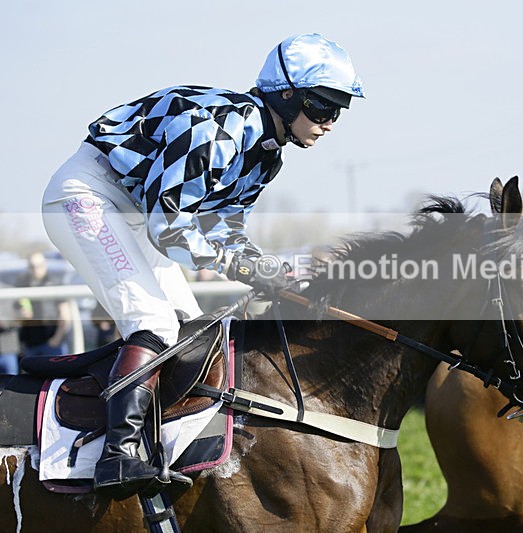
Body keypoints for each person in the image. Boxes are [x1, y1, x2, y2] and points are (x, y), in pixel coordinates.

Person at [41, 33, 364, 500]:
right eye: (322, 108)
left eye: (338, 112)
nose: (329, 123)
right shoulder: (221, 128)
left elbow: (225, 231)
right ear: (285, 95)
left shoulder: (265, 158)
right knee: (152, 322)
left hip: (135, 211)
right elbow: (169, 228)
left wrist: (270, 269)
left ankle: (160, 446)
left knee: (192, 333)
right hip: (89, 196)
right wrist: (246, 268)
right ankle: (118, 454)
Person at [15, 252, 71, 358]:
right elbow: (14, 311)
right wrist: (21, 314)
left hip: (52, 341)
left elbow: (65, 315)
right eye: (32, 266)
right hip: (30, 343)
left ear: (44, 265)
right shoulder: (22, 284)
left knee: (57, 373)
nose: (35, 269)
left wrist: (56, 339)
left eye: (38, 266)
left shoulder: (55, 283)